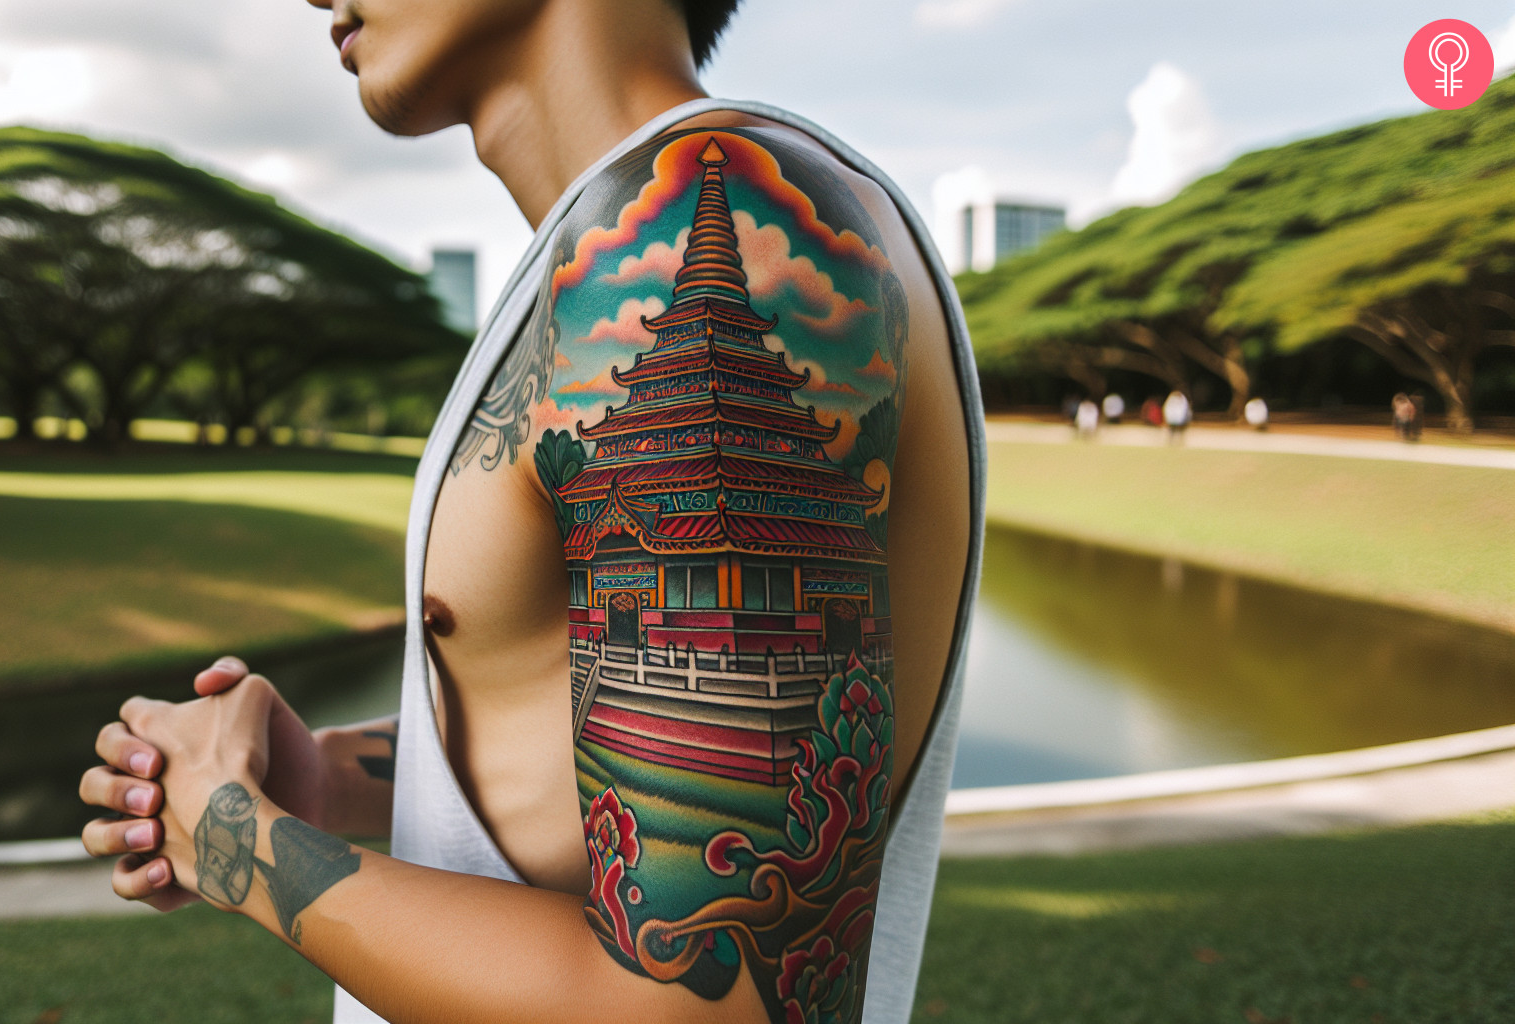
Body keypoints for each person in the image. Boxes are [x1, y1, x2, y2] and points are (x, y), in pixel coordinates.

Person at [75, 3, 981, 1023]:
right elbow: (608, 703)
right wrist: (336, 781)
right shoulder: (618, 241)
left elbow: (693, 1012)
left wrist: (233, 836)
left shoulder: (700, 208)